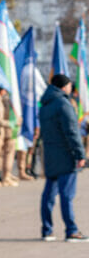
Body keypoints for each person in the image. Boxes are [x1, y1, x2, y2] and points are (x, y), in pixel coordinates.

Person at [38, 74, 88, 242]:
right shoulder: (63, 104)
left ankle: (47, 230)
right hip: (65, 155)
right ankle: (71, 231)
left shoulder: (45, 104)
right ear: (64, 86)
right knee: (67, 195)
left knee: (48, 195)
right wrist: (80, 154)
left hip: (50, 154)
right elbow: (72, 132)